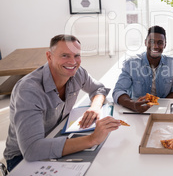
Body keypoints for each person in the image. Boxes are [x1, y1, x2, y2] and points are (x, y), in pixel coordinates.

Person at [4, 35, 120, 172]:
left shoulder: (77, 73)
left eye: (76, 55)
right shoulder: (28, 90)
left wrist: (95, 107)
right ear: (49, 56)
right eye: (65, 55)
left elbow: (98, 89)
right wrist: (92, 139)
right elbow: (32, 150)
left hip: (57, 136)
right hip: (21, 158)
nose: (72, 62)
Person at [113, 26, 173, 113]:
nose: (155, 46)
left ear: (165, 45)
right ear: (145, 42)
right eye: (151, 42)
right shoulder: (131, 64)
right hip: (136, 111)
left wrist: (157, 105)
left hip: (162, 111)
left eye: (160, 43)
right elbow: (118, 91)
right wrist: (132, 104)